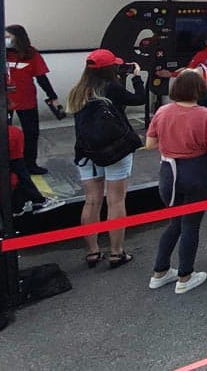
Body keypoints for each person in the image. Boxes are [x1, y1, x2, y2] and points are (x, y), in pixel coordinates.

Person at [67, 49, 145, 268]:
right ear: (110, 69)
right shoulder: (111, 88)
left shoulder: (77, 91)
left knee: (92, 201)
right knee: (116, 200)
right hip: (115, 149)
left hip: (86, 151)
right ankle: (116, 252)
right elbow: (138, 99)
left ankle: (93, 251)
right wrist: (137, 77)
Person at [146, 70, 207, 295]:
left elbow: (150, 144)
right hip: (197, 171)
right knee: (191, 225)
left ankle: (160, 272)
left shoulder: (162, 111)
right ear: (199, 90)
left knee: (174, 223)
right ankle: (185, 276)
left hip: (168, 172)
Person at [0, 25, 61, 173]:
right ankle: (4, 165)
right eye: (4, 37)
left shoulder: (31, 54)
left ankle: (30, 164)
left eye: (8, 37)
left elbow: (41, 77)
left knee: (31, 133)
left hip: (26, 100)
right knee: (1, 133)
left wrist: (52, 95)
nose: (5, 40)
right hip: (1, 100)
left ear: (18, 38)